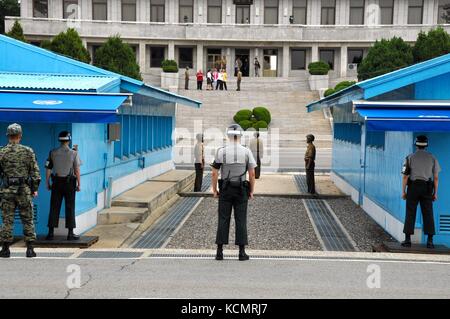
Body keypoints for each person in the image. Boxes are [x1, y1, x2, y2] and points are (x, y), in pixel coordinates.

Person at [211, 124, 257, 261]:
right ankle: (242, 252)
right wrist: (251, 191)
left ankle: (219, 252)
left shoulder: (221, 151)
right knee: (241, 219)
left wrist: (215, 190)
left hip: (225, 189)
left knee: (223, 218)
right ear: (240, 136)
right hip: (241, 189)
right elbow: (252, 173)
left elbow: (214, 173)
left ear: (228, 136)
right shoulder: (246, 152)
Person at [0, 124, 41, 258]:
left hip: (7, 191)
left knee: (7, 220)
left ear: (8, 136)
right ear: (20, 136)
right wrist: (34, 189)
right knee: (28, 219)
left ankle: (5, 249)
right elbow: (35, 173)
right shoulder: (28, 151)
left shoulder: (2, 152)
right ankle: (30, 249)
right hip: (24, 190)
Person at [401, 135, 440, 249]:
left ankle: (408, 240)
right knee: (428, 213)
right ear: (426, 145)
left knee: (410, 212)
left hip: (413, 187)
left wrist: (403, 191)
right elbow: (436, 178)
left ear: (416, 144)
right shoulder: (433, 158)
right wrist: (435, 193)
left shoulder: (409, 157)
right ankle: (430, 241)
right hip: (427, 187)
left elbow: (405, 176)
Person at [45, 131, 81, 241]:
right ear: (69, 140)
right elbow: (77, 170)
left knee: (54, 206)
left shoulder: (52, 152)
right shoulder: (74, 153)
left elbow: (48, 169)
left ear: (59, 140)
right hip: (69, 182)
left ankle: (51, 233)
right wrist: (79, 184)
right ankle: (70, 233)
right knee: (70, 207)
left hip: (56, 182)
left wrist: (48, 183)